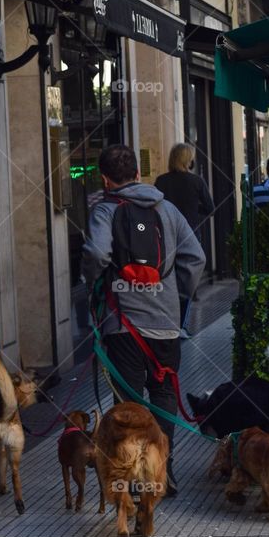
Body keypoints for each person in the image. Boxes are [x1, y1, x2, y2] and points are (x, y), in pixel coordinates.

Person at [82, 144, 206, 497]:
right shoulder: (166, 209)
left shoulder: (104, 209)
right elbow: (195, 257)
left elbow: (95, 253)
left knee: (129, 402)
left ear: (105, 179)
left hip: (123, 325)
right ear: (138, 173)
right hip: (165, 323)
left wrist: (92, 283)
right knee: (164, 393)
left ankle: (135, 474)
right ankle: (163, 469)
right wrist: (174, 294)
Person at [154, 143, 213, 336]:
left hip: (164, 235)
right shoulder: (196, 181)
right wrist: (195, 213)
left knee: (166, 277)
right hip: (190, 234)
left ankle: (166, 320)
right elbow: (210, 207)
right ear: (189, 160)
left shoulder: (161, 181)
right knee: (188, 279)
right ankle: (181, 325)